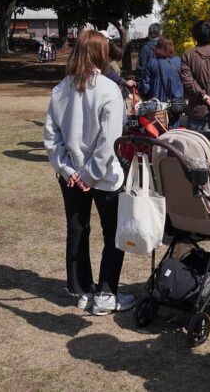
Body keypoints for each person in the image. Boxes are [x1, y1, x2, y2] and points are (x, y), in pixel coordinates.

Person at [43, 29, 134, 316]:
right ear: (100, 53)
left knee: (78, 229)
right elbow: (109, 142)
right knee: (112, 233)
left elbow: (51, 138)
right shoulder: (109, 90)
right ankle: (106, 292)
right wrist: (88, 173)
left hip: (72, 175)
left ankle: (82, 290)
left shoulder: (61, 90)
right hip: (104, 176)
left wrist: (68, 169)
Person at [138, 35, 184, 118]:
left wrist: (143, 96)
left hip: (157, 106)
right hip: (176, 105)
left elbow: (145, 87)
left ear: (158, 47)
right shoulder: (178, 61)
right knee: (174, 130)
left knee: (157, 128)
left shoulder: (152, 63)